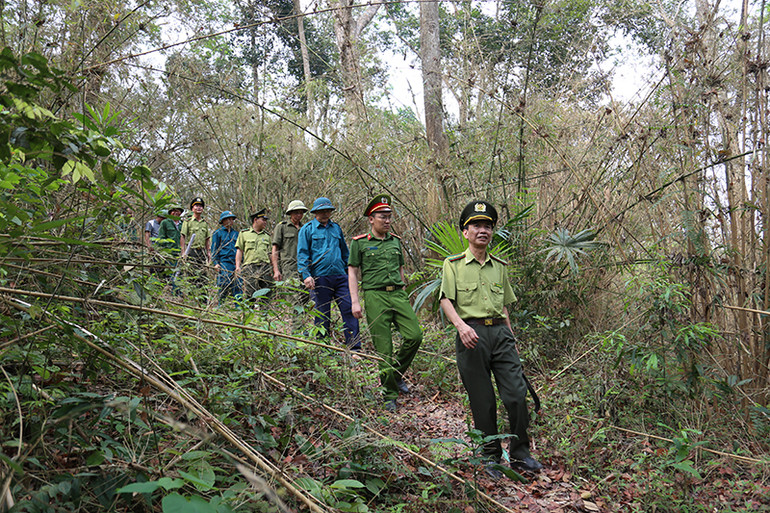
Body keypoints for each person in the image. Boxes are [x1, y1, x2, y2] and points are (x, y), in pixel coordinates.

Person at [439, 200, 542, 476]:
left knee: (516, 395)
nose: (482, 230)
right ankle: (490, 456)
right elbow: (446, 300)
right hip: (471, 335)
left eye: (487, 225)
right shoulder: (453, 265)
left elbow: (505, 305)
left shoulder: (500, 266)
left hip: (500, 334)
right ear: (465, 231)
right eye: (476, 225)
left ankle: (521, 454)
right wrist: (461, 327)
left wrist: (511, 336)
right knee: (483, 400)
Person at [348, 194, 422, 411]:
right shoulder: (359, 243)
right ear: (371, 219)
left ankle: (396, 374)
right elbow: (352, 272)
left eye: (389, 217)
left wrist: (403, 290)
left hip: (397, 294)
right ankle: (389, 393)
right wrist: (355, 302)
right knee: (384, 348)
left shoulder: (396, 242)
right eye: (382, 217)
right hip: (374, 296)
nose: (387, 221)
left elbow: (400, 269)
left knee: (415, 336)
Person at [297, 197, 360, 350]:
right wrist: (306, 275)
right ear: (315, 212)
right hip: (319, 278)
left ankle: (354, 348)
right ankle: (323, 349)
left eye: (328, 211)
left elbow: (345, 253)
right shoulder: (307, 229)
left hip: (340, 277)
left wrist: (350, 274)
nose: (325, 214)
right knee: (322, 314)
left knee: (348, 309)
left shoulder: (336, 228)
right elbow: (302, 254)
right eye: (322, 211)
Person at [235, 209, 274, 301]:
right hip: (250, 267)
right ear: (255, 220)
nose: (265, 222)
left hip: (265, 267)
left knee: (267, 292)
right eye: (263, 220)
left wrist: (273, 268)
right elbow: (239, 250)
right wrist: (238, 266)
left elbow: (270, 253)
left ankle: (265, 314)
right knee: (250, 293)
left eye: (266, 220)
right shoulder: (244, 234)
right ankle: (249, 313)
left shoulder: (267, 236)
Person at [272, 200, 308, 282]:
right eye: (296, 213)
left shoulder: (305, 228)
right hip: (288, 267)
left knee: (305, 293)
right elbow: (275, 249)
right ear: (290, 213)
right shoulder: (282, 227)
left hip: (304, 266)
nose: (299, 215)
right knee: (291, 293)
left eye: (301, 212)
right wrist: (276, 270)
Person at [180, 197, 211, 292]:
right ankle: (191, 296)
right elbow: (183, 236)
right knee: (191, 275)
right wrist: (183, 252)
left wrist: (208, 253)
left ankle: (203, 299)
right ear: (192, 208)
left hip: (202, 252)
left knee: (202, 275)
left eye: (201, 206)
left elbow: (207, 239)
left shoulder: (205, 223)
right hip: (191, 251)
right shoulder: (187, 222)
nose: (199, 208)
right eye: (197, 206)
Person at [211, 210, 241, 302]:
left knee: (237, 285)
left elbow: (240, 249)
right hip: (224, 262)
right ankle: (221, 304)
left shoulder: (236, 234)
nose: (230, 221)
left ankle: (238, 306)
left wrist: (239, 264)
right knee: (223, 284)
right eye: (228, 219)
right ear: (223, 220)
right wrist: (216, 263)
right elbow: (214, 250)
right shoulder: (218, 233)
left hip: (235, 263)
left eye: (232, 219)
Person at [157, 204, 183, 279]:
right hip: (169, 254)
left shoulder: (183, 224)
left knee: (179, 274)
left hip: (180, 254)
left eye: (177, 211)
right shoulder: (165, 222)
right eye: (173, 211)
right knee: (170, 274)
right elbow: (161, 237)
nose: (175, 213)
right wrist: (163, 251)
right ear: (170, 212)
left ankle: (177, 290)